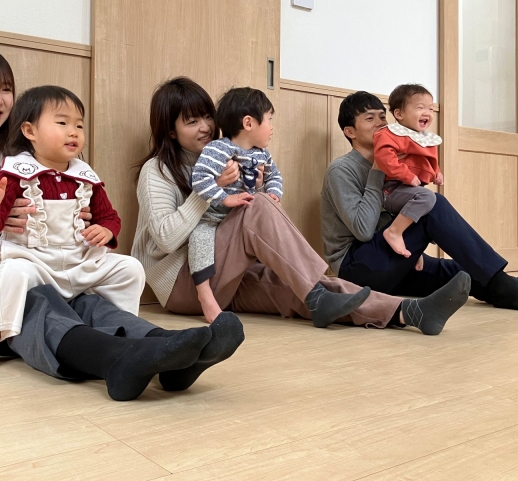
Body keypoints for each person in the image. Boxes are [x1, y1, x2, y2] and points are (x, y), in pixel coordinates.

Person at [0, 46, 239, 401]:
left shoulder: (36, 151)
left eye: (6, 89)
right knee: (32, 305)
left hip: (39, 255)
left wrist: (83, 221)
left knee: (81, 302)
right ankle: (117, 359)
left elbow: (88, 204)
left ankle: (168, 348)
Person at [132, 76, 472, 336]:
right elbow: (165, 239)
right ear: (171, 131)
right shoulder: (157, 171)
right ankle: (316, 288)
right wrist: (208, 192)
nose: (206, 127)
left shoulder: (229, 155)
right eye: (191, 121)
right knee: (264, 214)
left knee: (303, 288)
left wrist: (255, 184)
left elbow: (238, 220)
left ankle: (408, 312)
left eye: (207, 117)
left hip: (229, 273)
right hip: (185, 286)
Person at [321, 90, 518, 315]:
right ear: (350, 131)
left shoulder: (394, 163)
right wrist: (378, 171)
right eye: (370, 120)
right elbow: (363, 230)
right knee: (434, 205)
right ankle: (508, 288)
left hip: (395, 262)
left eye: (383, 117)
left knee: (470, 271)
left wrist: (413, 248)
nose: (381, 125)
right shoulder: (342, 170)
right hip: (356, 271)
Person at [0, 85, 145, 373]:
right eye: (62, 123)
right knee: (10, 272)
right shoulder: (14, 175)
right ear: (29, 131)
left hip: (78, 262)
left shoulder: (85, 176)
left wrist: (106, 231)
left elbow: (109, 216)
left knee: (130, 268)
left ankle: (116, 328)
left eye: (79, 125)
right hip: (34, 262)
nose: (73, 132)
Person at [189, 87, 287, 322]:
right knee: (198, 238)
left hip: (242, 217)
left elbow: (275, 176)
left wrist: (272, 193)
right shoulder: (218, 149)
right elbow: (199, 179)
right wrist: (225, 198)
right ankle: (205, 295)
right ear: (248, 123)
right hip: (213, 217)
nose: (272, 127)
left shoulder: (262, 154)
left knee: (272, 229)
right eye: (269, 120)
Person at [373, 84, 441, 258]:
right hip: (392, 189)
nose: (427, 113)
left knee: (435, 204)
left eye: (430, 109)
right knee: (427, 198)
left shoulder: (423, 137)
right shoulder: (389, 134)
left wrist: (436, 172)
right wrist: (406, 175)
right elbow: (384, 158)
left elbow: (428, 159)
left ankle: (415, 254)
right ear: (399, 114)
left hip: (411, 189)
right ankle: (393, 232)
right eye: (420, 108)